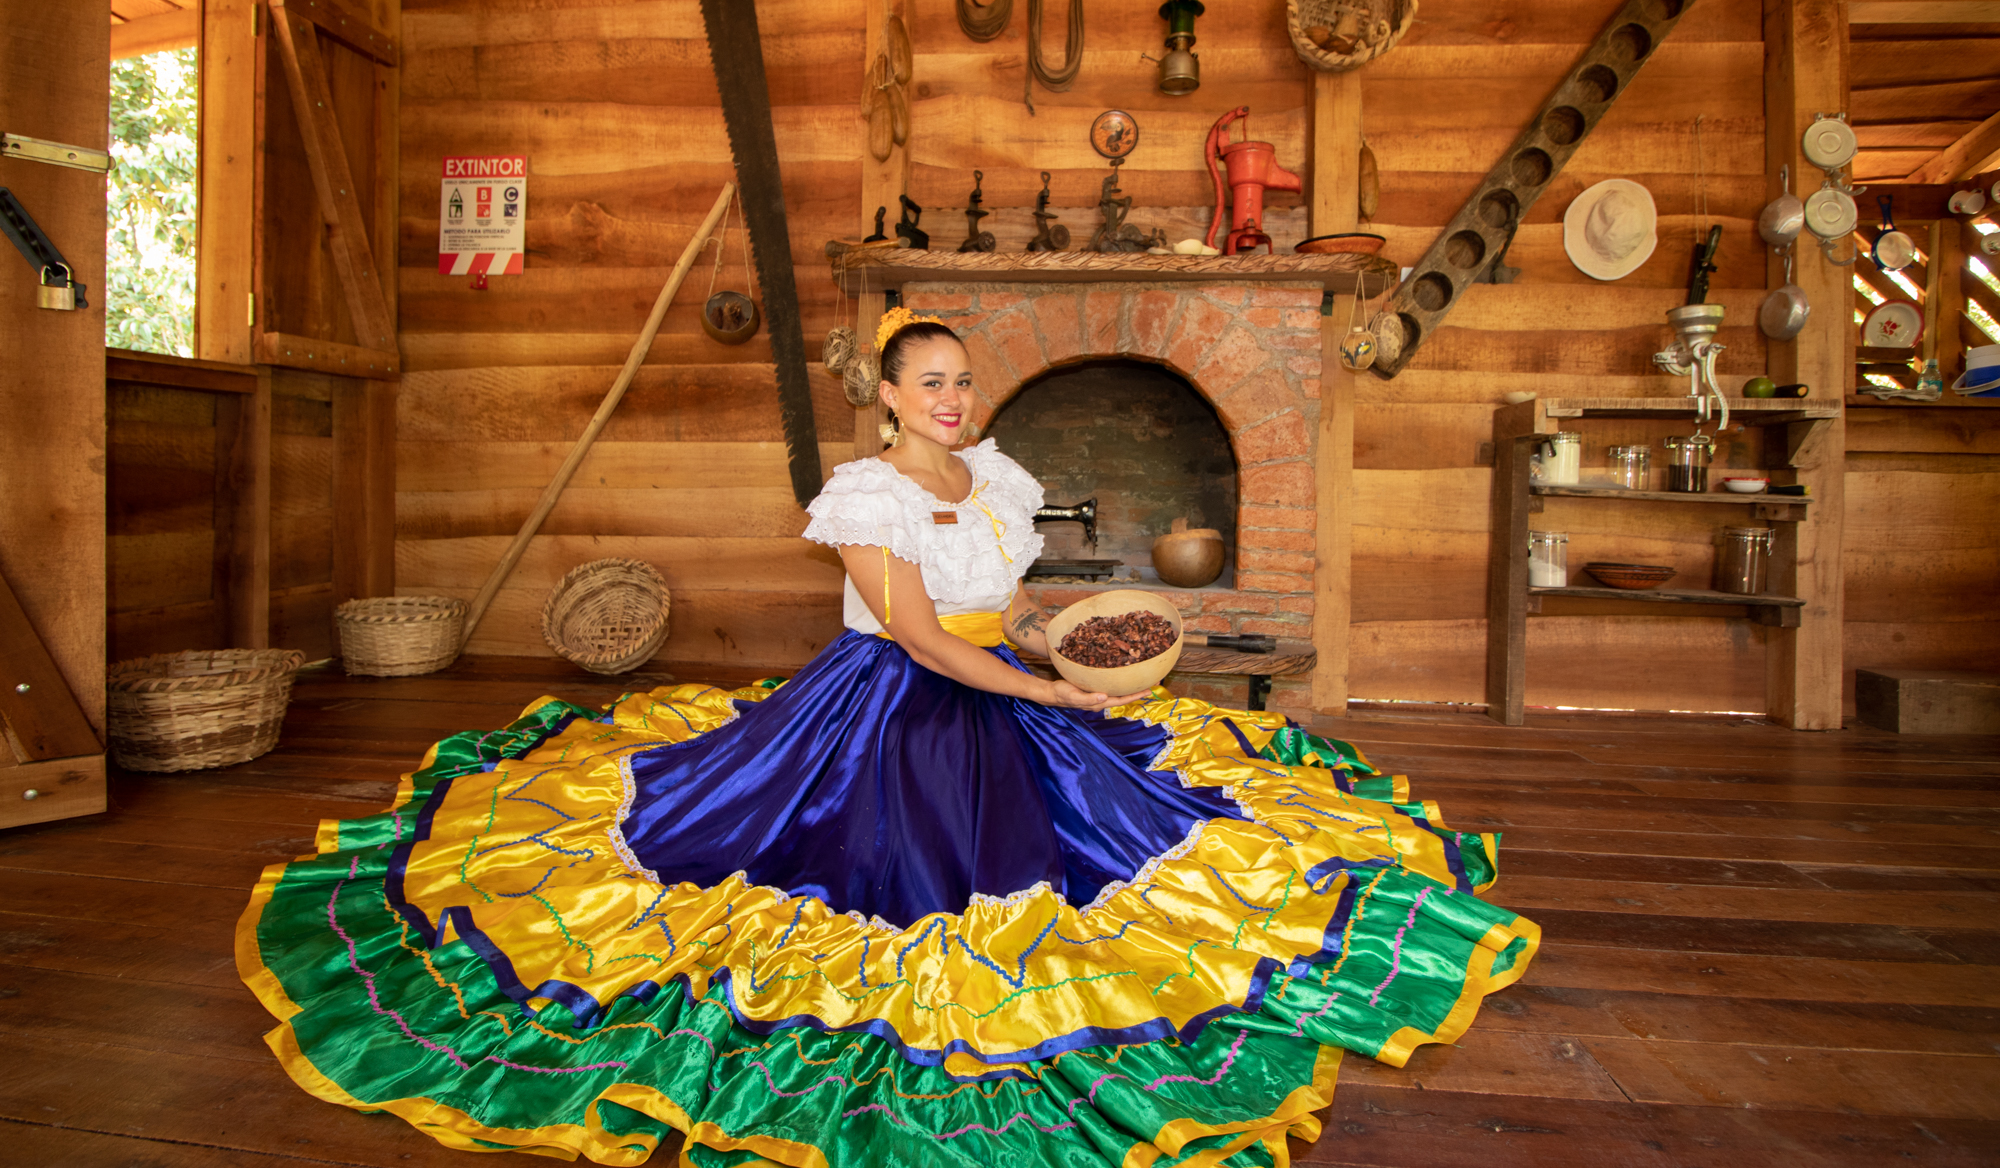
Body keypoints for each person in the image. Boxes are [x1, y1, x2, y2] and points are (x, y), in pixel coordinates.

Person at [239, 308, 1540, 1168]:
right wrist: (1044, 696)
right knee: (878, 865)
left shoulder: (1000, 478)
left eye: (966, 381)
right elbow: (920, 637)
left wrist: (1061, 654)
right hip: (887, 701)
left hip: (990, 673)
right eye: (934, 382)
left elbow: (1007, 609)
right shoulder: (864, 489)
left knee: (1138, 822)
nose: (956, 399)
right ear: (888, 393)